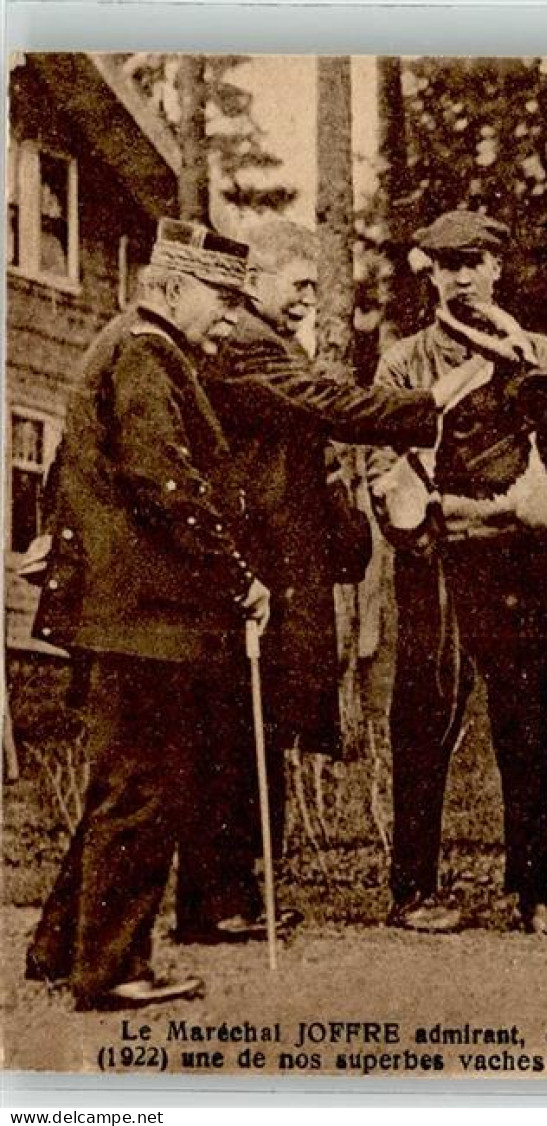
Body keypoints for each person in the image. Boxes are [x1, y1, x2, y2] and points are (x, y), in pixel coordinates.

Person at [171, 219, 494, 946]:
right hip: (256, 571)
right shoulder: (251, 344)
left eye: (315, 287)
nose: (310, 301)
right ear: (253, 283)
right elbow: (331, 406)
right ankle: (221, 903)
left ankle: (230, 897)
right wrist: (430, 403)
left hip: (279, 567)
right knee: (239, 736)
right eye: (300, 285)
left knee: (254, 732)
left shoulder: (269, 344)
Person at [21, 220, 268, 1011]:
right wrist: (239, 578)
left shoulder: (125, 345)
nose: (231, 317)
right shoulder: (146, 353)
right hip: (149, 617)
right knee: (143, 790)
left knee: (120, 785)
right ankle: (112, 970)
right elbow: (166, 484)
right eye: (221, 298)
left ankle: (62, 947)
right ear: (167, 288)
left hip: (125, 613)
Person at [367, 209, 547, 936]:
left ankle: (535, 894)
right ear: (430, 274)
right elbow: (382, 460)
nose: (462, 274)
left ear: (497, 267)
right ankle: (412, 891)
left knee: (524, 722)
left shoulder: (533, 351)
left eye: (474, 260)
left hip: (516, 559)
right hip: (438, 557)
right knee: (424, 717)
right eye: (446, 263)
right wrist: (420, 517)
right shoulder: (405, 360)